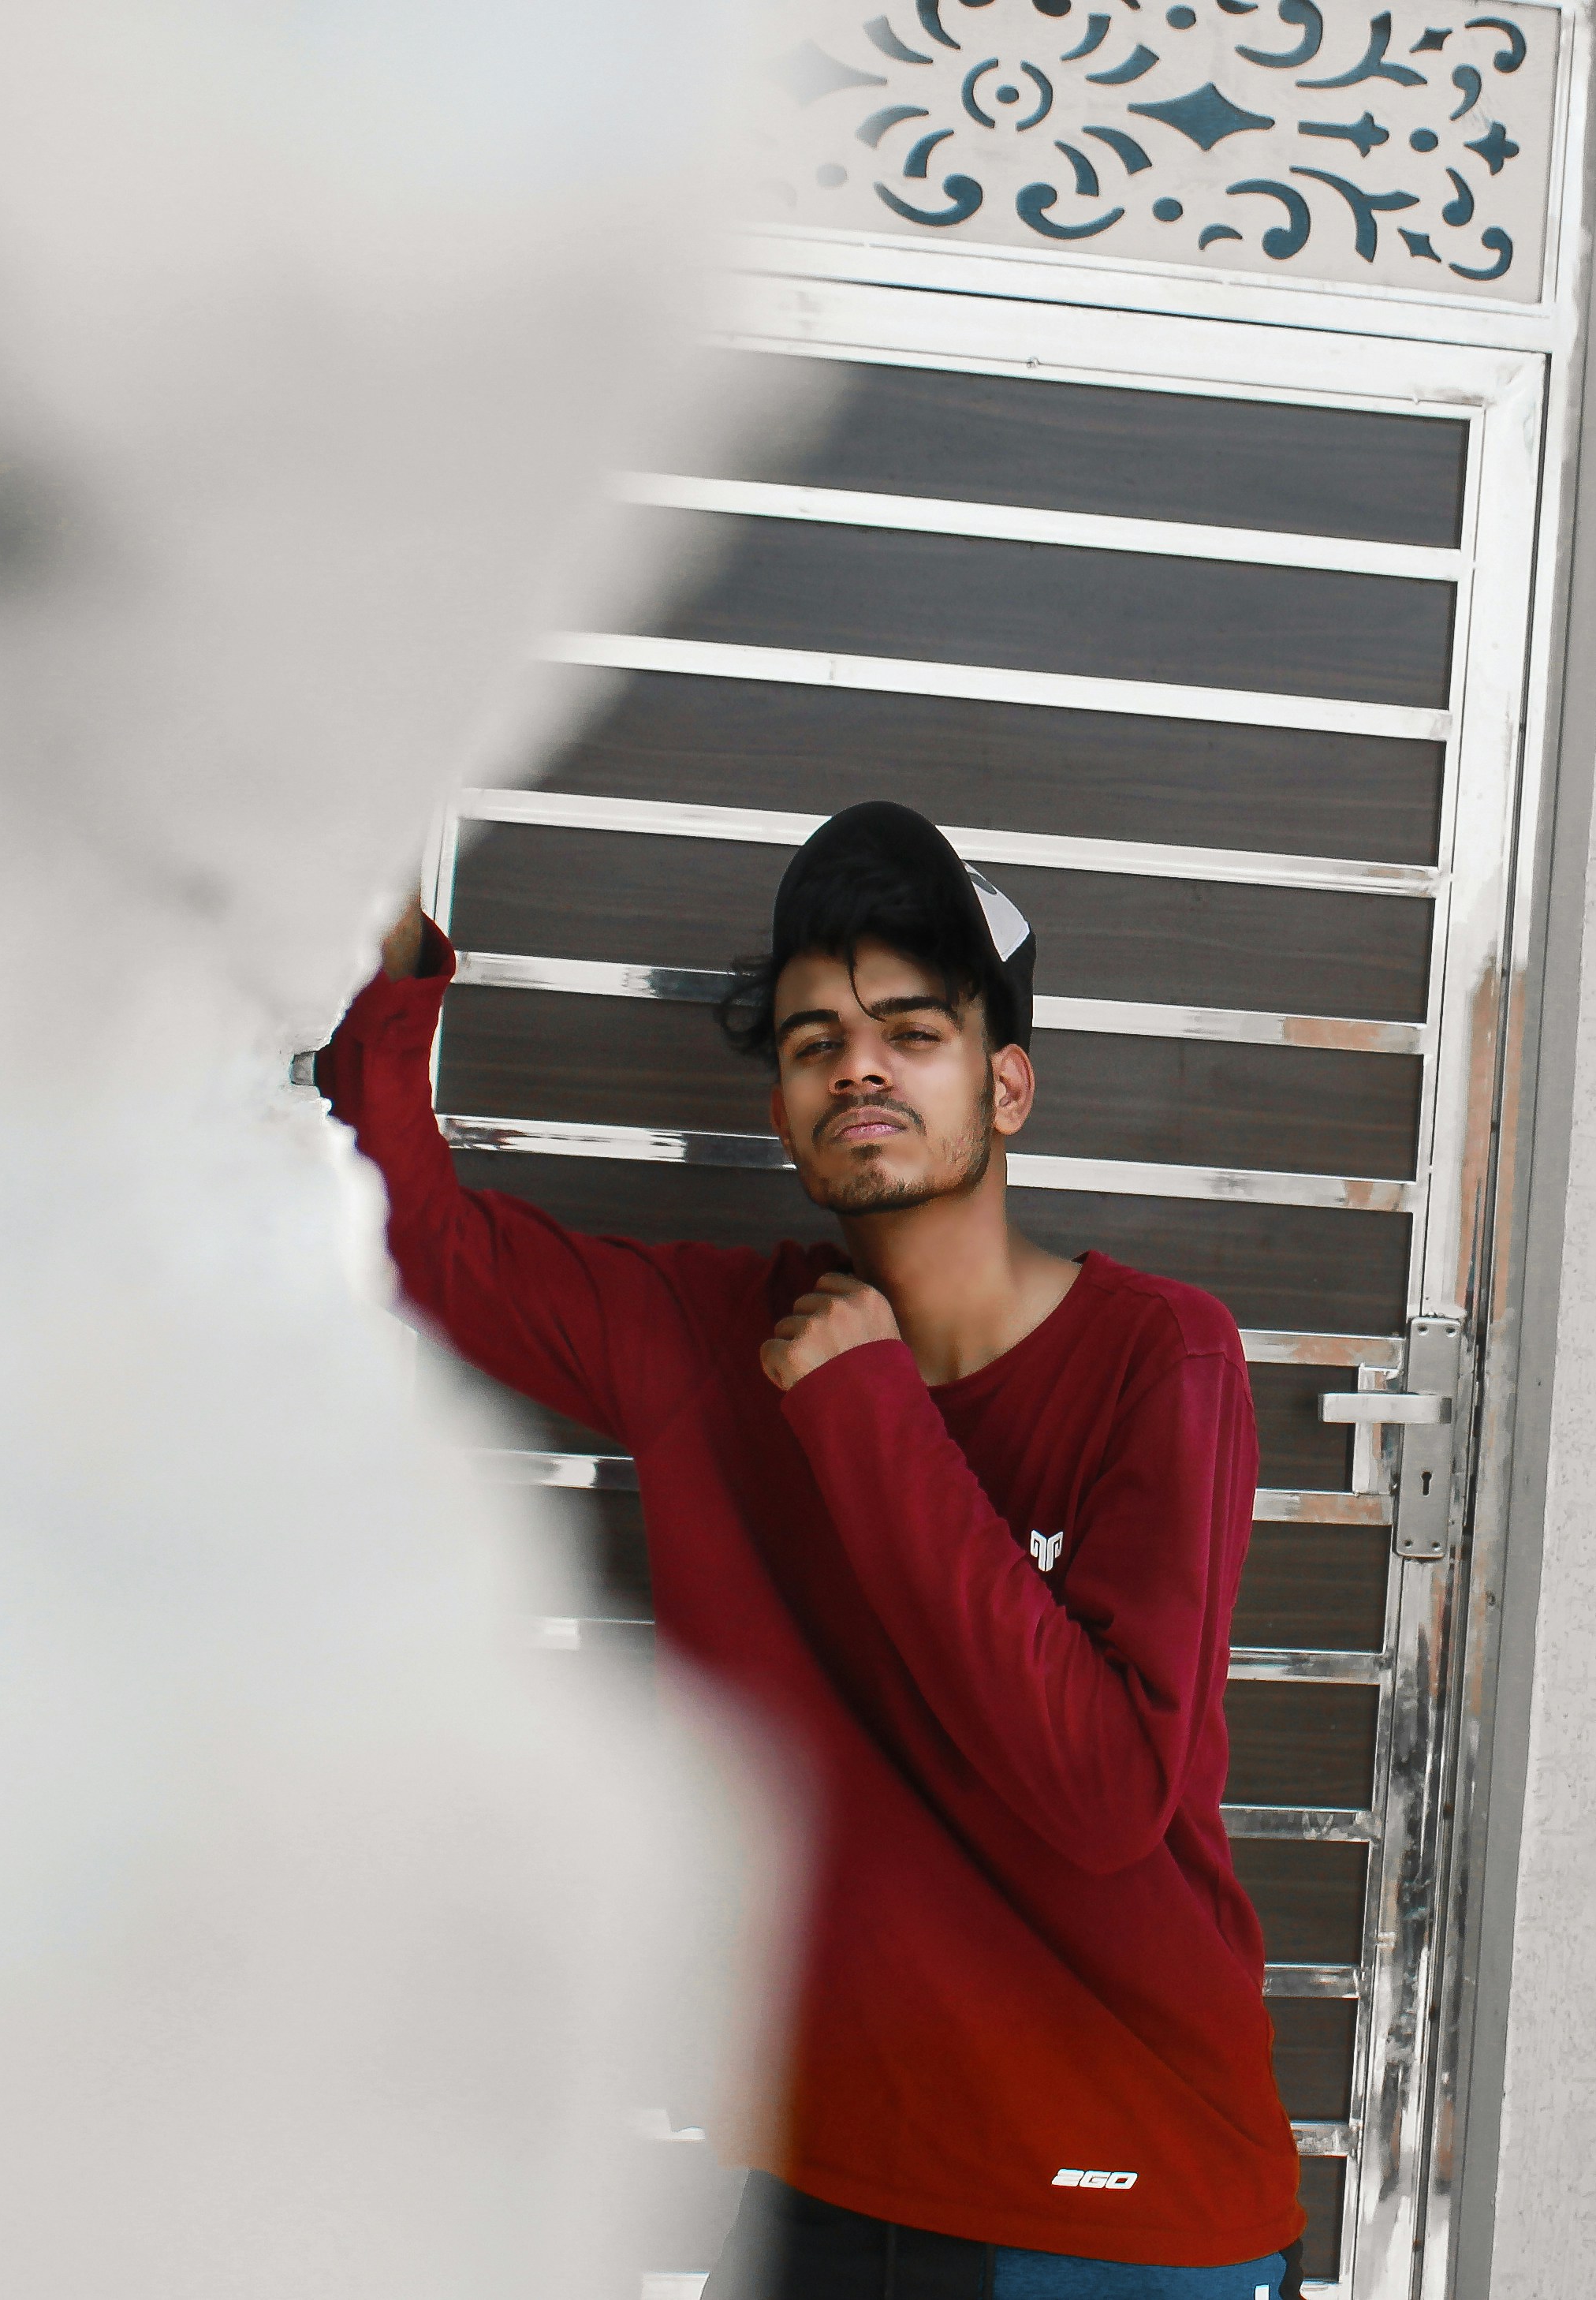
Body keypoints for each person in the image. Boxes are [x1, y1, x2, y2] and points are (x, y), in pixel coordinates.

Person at [314, 801, 1306, 2300]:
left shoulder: (1160, 1357)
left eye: (913, 1029)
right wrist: (389, 958)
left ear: (1009, 1085)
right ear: (783, 1113)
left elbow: (1102, 1793)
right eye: (811, 1041)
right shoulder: (708, 1337)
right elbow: (423, 1242)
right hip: (828, 2175)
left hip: (1114, 2191)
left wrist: (866, 1407)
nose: (858, 1063)